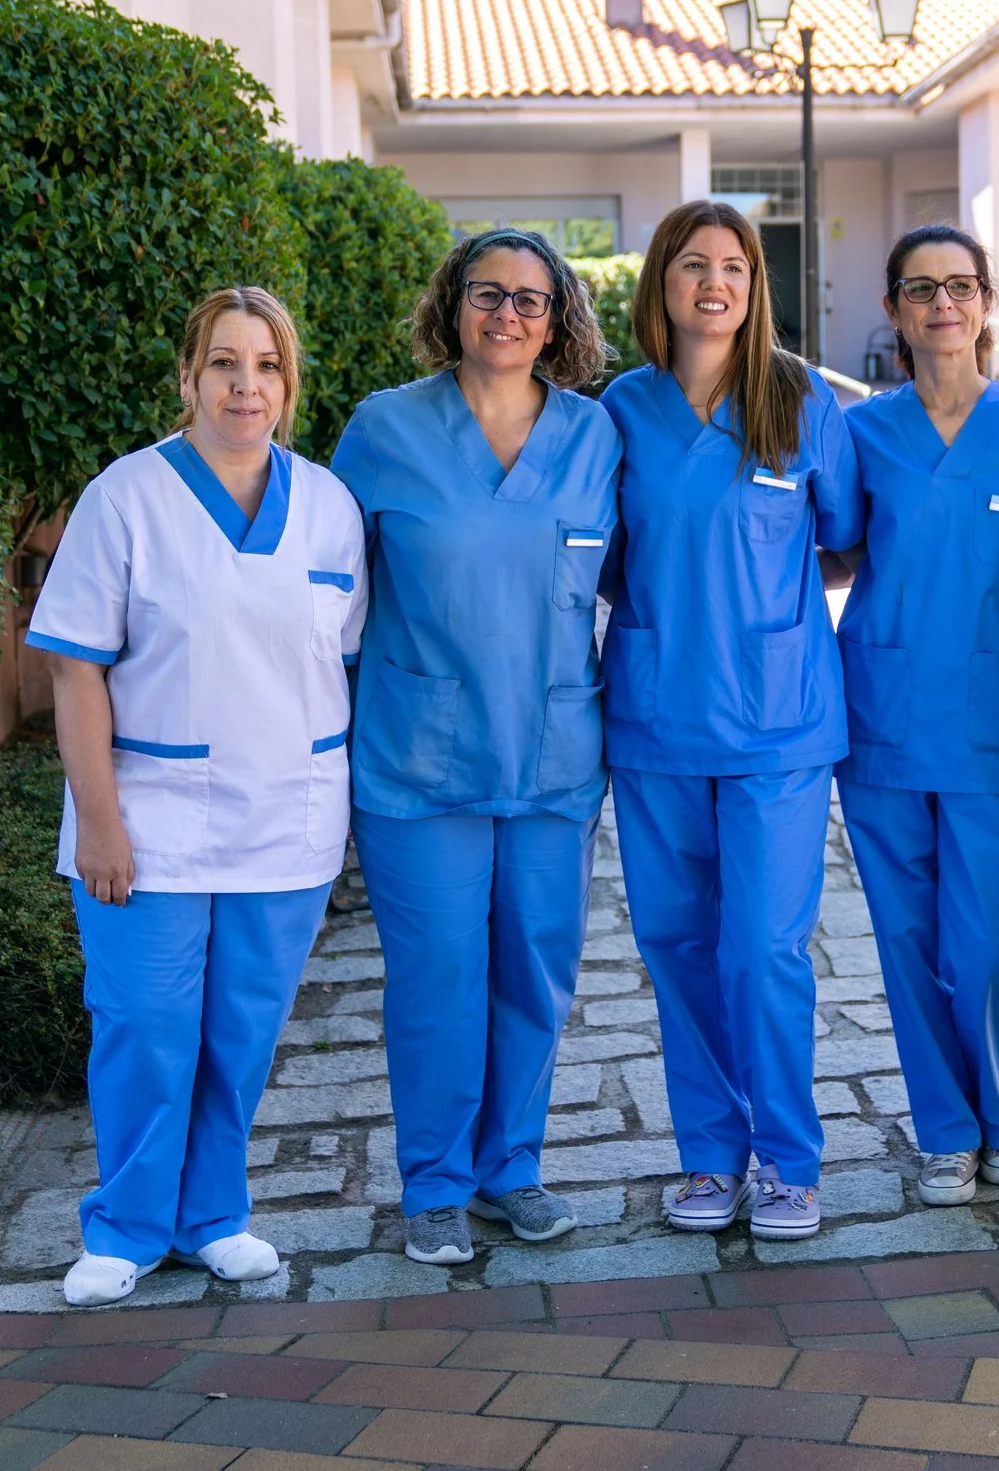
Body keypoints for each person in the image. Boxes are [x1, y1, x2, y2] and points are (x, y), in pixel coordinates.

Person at [28, 286, 367, 1306]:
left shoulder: (329, 506)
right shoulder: (125, 497)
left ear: (288, 384)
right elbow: (75, 667)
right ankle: (127, 1225)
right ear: (188, 375)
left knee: (240, 1033)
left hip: (288, 816)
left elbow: (339, 659)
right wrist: (99, 818)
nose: (245, 385)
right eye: (225, 362)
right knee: (143, 1023)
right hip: (150, 819)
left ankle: (214, 1214)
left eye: (266, 366)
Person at [331, 229, 621, 1268]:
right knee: (436, 972)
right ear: (452, 305)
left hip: (552, 750)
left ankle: (513, 1168)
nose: (508, 315)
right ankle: (436, 1182)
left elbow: (633, 579)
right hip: (421, 756)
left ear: (559, 319)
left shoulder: (596, 435)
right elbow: (328, 589)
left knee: (535, 968)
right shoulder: (383, 429)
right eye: (487, 295)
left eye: (531, 301)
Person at [601, 200, 862, 1242]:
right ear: (660, 281)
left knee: (762, 946)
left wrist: (767, 621)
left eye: (735, 267)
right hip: (657, 719)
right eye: (694, 264)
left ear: (756, 289)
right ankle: (712, 1157)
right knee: (676, 943)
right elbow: (603, 560)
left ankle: (789, 1161)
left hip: (777, 726)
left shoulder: (799, 402)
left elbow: (839, 538)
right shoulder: (617, 410)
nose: (715, 283)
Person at [833, 226, 999, 1207]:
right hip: (882, 714)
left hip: (992, 718)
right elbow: (829, 550)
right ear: (894, 308)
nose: (944, 303)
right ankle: (945, 1130)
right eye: (921, 287)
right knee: (905, 933)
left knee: (991, 933)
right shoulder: (861, 433)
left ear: (985, 302)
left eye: (962, 285)